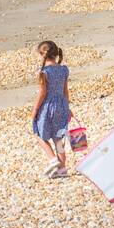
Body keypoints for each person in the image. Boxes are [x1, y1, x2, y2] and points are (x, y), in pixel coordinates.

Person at [31, 41, 72, 179]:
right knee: (58, 139)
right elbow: (65, 91)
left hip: (47, 108)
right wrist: (67, 107)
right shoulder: (63, 69)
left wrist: (35, 110)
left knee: (38, 133)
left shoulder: (43, 72)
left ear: (42, 55)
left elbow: (42, 94)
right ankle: (62, 170)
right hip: (61, 106)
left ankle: (53, 160)